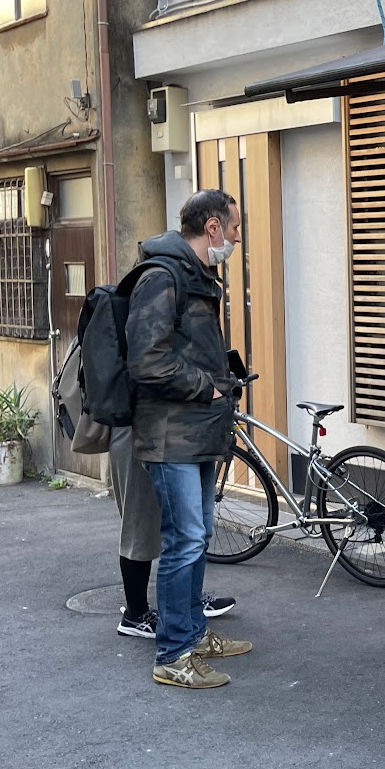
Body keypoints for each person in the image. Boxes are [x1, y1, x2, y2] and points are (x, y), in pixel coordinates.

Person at [126, 189, 251, 688]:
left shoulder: (196, 276)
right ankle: (173, 655)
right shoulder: (162, 276)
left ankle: (193, 636)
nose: (238, 238)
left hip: (194, 430)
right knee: (185, 541)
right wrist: (209, 386)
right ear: (214, 228)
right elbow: (147, 359)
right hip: (170, 433)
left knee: (195, 539)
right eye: (235, 229)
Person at [111, 424, 236, 639]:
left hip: (172, 434)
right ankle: (137, 615)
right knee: (141, 525)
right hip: (140, 432)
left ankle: (188, 604)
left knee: (188, 532)